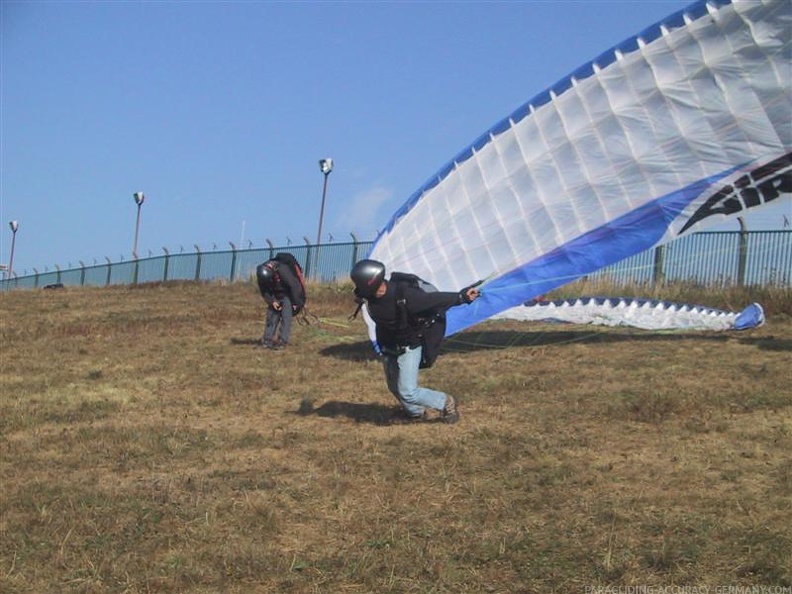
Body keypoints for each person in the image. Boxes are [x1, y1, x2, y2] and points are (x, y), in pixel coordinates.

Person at [350, 259, 481, 423]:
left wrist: (461, 297)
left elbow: (435, 300)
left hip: (409, 346)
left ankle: (446, 402)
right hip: (389, 347)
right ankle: (415, 413)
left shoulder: (405, 296)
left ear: (371, 283)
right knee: (394, 387)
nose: (358, 289)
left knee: (408, 391)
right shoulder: (369, 298)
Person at [256, 258, 305, 350]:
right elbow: (264, 291)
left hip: (289, 295)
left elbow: (294, 287)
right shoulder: (261, 276)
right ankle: (267, 340)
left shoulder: (283, 270)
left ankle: (282, 341)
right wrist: (272, 301)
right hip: (275, 294)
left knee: (286, 317)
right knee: (271, 316)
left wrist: (296, 303)